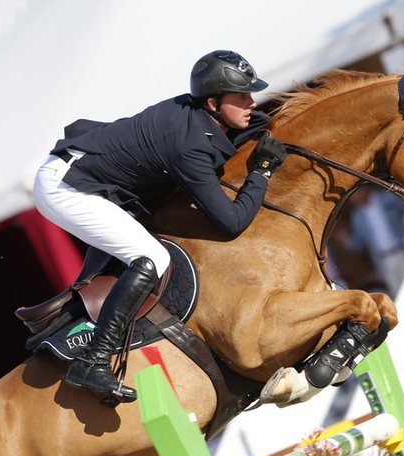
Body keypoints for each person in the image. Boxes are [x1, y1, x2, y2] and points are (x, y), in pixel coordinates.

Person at [32, 50, 288, 407]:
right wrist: (261, 172)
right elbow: (231, 223)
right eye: (242, 96)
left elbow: (241, 130)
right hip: (66, 188)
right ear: (213, 103)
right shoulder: (188, 145)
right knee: (152, 256)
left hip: (84, 172)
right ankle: (94, 361)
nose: (251, 102)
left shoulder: (200, 112)